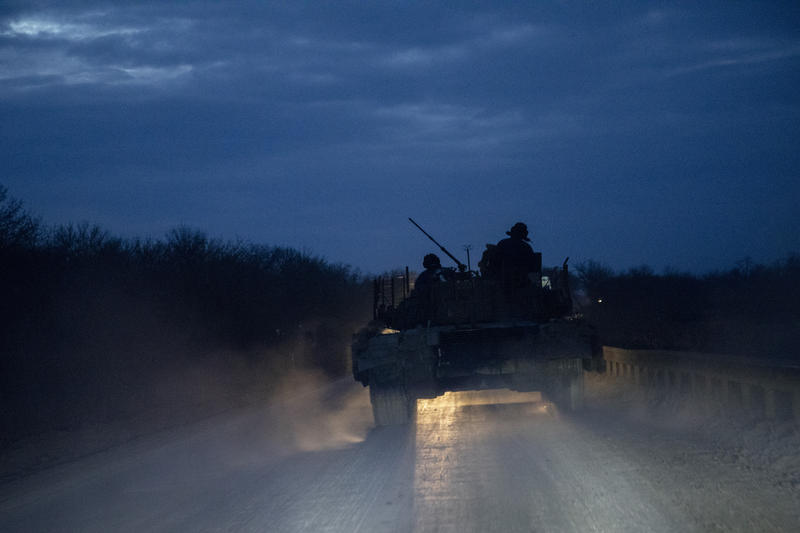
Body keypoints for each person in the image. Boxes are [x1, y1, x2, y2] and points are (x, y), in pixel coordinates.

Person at [495, 222, 541, 287]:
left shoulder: (502, 243)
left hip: (502, 280)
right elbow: (532, 267)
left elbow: (495, 262)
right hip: (520, 282)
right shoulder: (526, 247)